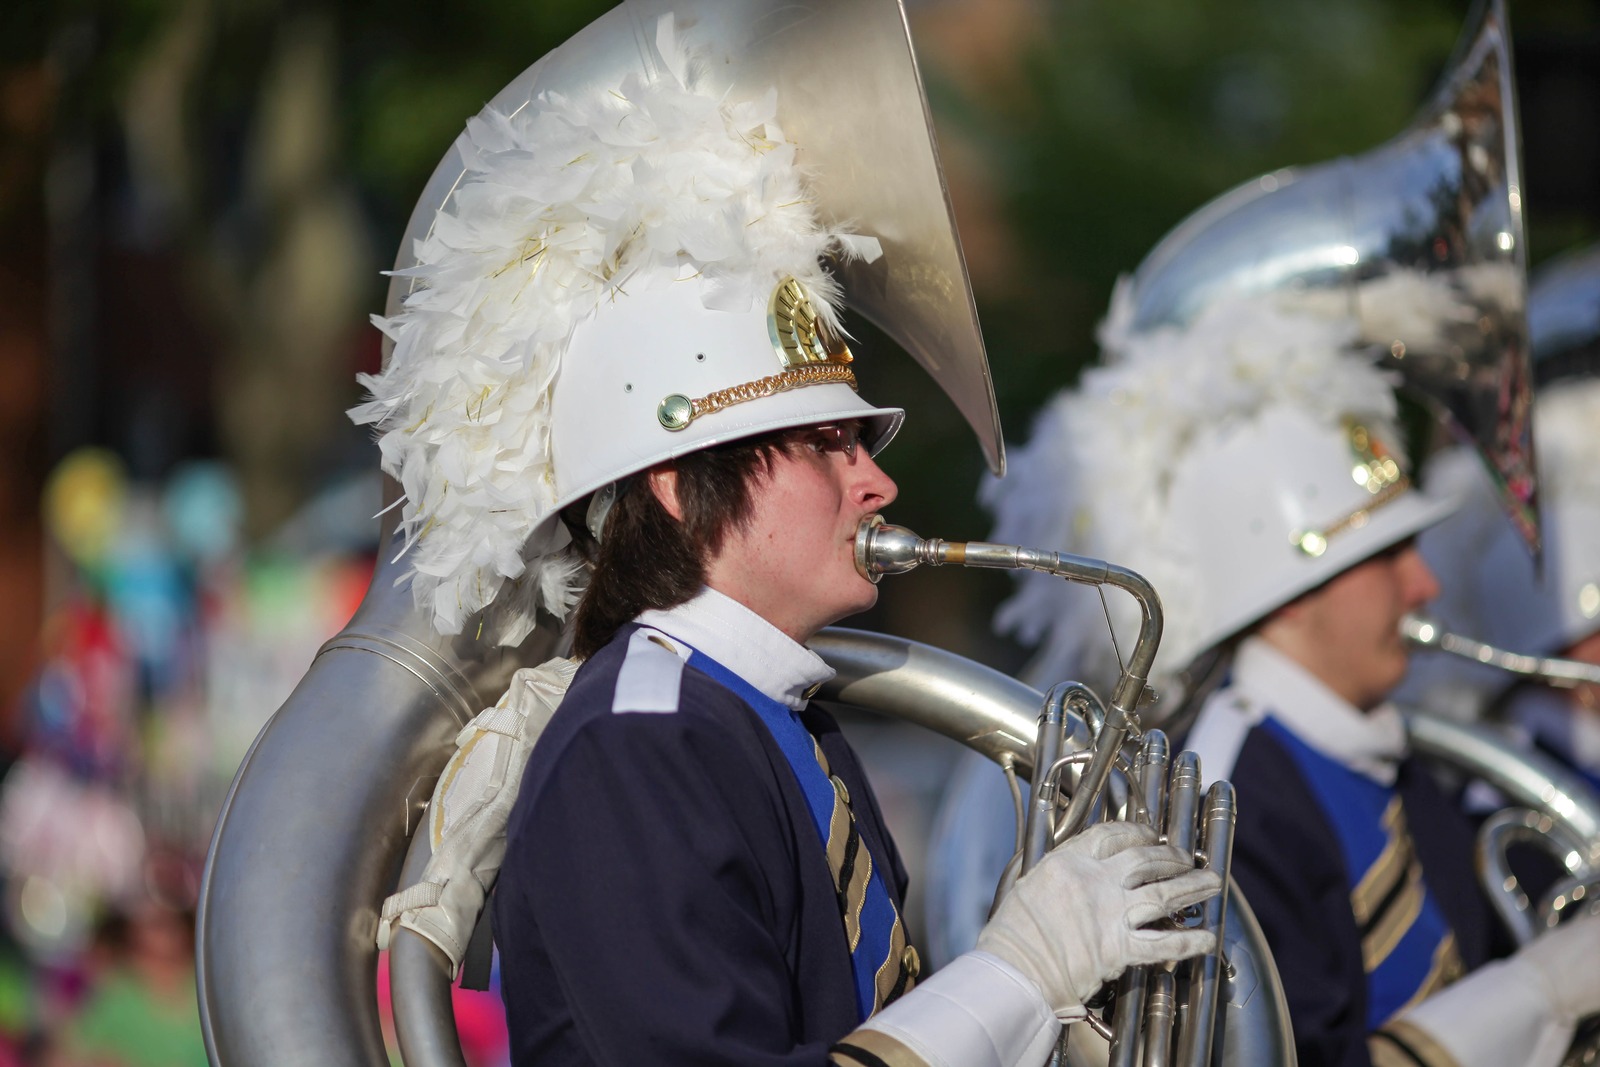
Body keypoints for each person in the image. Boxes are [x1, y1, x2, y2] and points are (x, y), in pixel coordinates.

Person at [353, 4, 1221, 1065]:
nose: (879, 479)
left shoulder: (771, 717)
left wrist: (1043, 1014)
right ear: (676, 483)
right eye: (828, 445)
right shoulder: (641, 741)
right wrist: (1013, 974)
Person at [932, 289, 1600, 1067]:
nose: (1424, 584)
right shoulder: (1225, 793)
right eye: (1384, 557)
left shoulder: (1387, 761)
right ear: (1286, 593)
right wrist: (1534, 994)